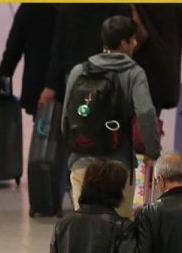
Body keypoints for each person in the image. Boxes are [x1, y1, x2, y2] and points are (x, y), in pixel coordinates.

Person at [63, 15, 160, 213]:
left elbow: (66, 117)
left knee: (85, 224)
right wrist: (153, 150)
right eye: (132, 39)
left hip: (83, 163)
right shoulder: (134, 73)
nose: (134, 43)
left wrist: (76, 147)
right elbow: (146, 112)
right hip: (119, 166)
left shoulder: (79, 71)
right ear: (123, 43)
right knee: (120, 229)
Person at [131, 3, 182, 116]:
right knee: (149, 125)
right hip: (164, 79)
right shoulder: (172, 4)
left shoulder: (131, 2)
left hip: (136, 79)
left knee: (132, 127)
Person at [0, 1, 58, 119]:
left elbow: (13, 48)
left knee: (42, 129)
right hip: (72, 84)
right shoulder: (76, 6)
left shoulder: (31, 5)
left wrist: (3, 84)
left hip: (39, 84)